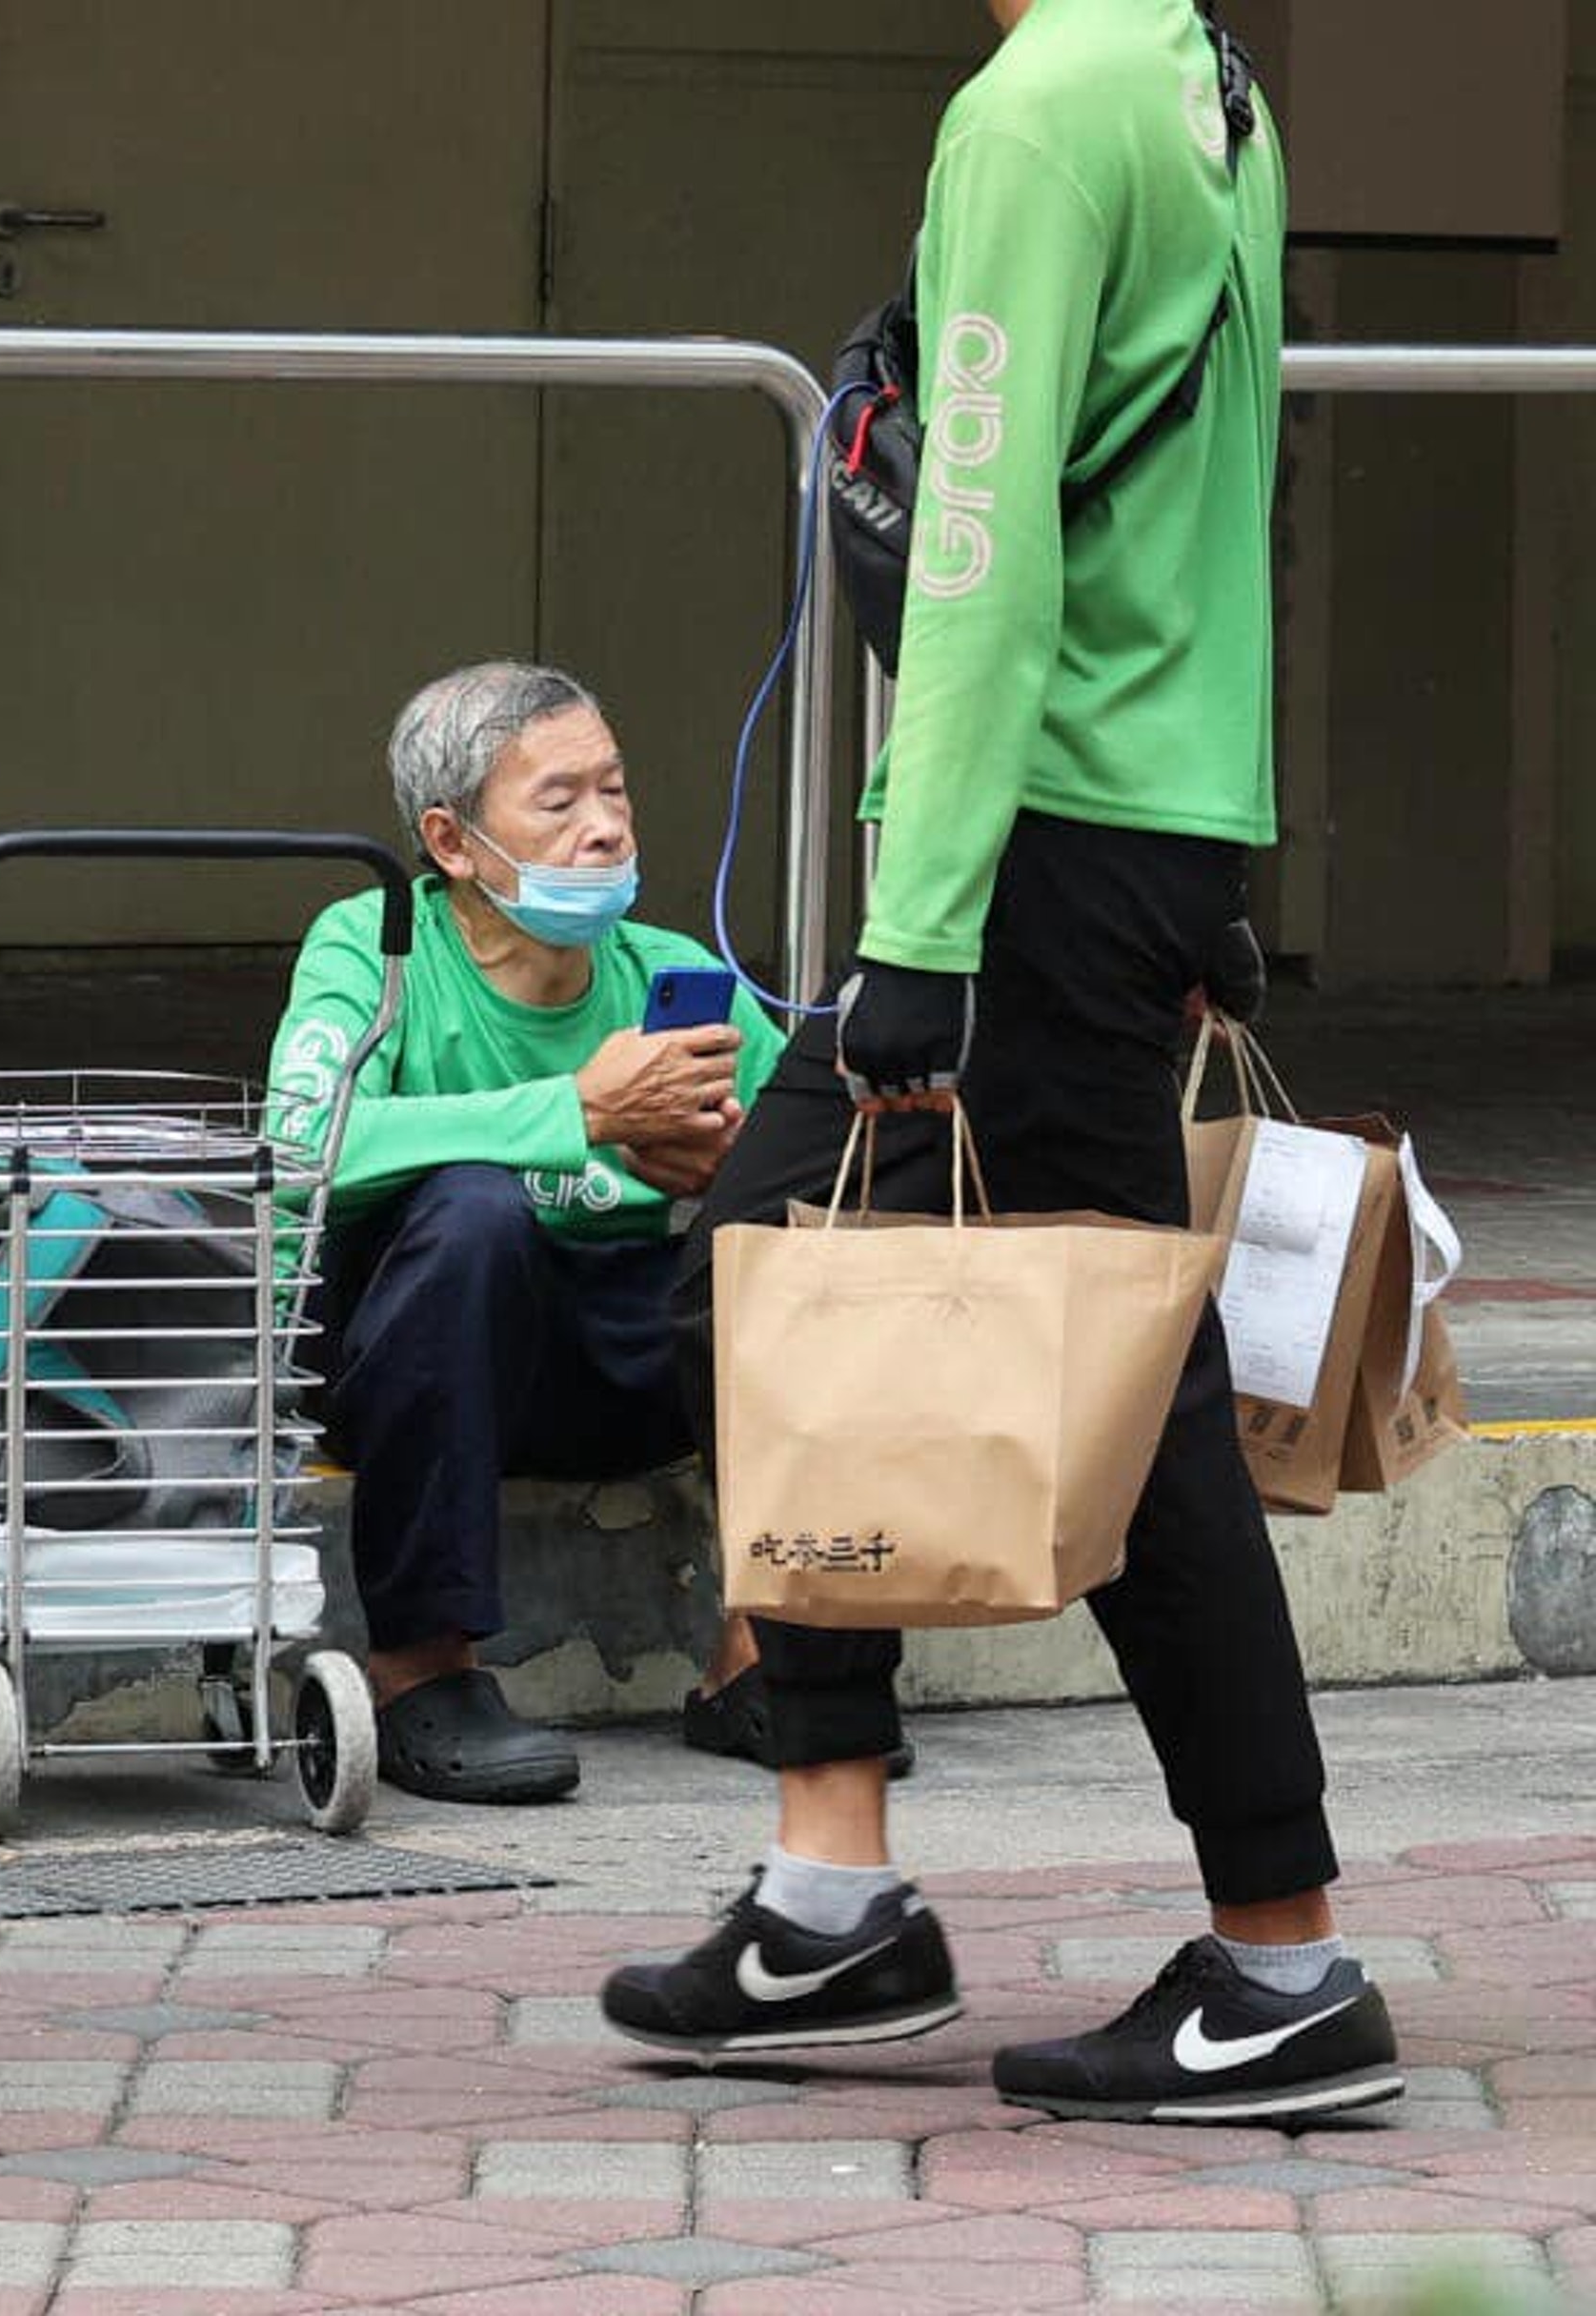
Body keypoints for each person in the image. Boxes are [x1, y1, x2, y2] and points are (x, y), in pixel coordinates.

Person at [598, 0, 1405, 2124]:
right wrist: (1201, 836)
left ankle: (1282, 1959)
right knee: (773, 1234)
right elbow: (1206, 491)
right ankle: (831, 1898)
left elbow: (975, 553)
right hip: (1133, 817)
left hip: (1036, 844)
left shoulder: (1036, 108)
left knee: (1126, 1402)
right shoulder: (1204, 83)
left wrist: (917, 938)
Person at [266, 660, 795, 1804]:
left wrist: (733, 1171)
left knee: (784, 1234)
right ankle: (420, 1671)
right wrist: (579, 1116)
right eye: (560, 803)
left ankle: (763, 1653)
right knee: (472, 1209)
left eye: (616, 791)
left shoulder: (676, 973)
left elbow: (834, 1170)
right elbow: (297, 1144)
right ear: (454, 842)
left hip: (620, 1365)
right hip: (417, 1356)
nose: (605, 829)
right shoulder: (377, 946)